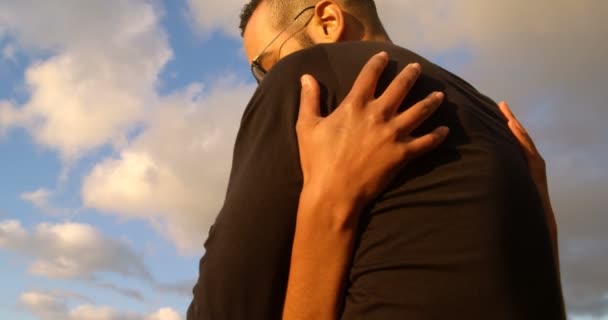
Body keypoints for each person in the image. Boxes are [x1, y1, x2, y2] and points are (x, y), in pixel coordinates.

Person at [187, 1, 566, 319]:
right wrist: (545, 223)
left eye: (264, 64)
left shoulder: (306, 80)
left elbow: (221, 310)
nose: (264, 81)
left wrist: (329, 204)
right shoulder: (495, 121)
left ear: (328, 21)